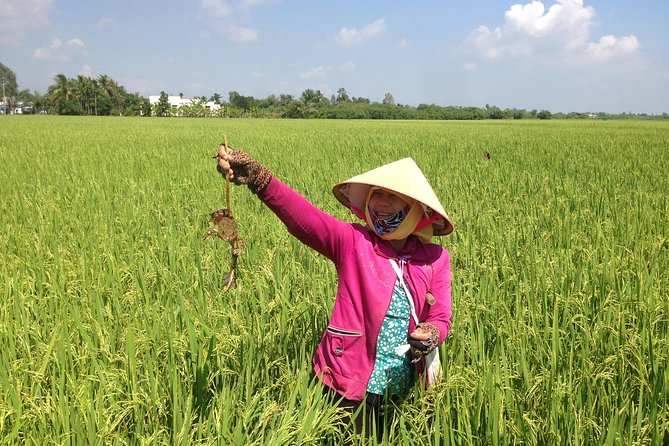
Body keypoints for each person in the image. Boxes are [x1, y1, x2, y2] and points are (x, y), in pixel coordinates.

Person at [215, 146, 454, 436]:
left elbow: (441, 316)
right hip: (345, 382)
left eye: (394, 196)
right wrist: (259, 179)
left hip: (403, 391)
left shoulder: (435, 259)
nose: (382, 203)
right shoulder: (353, 241)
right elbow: (305, 219)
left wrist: (431, 333)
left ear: (416, 208)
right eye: (377, 194)